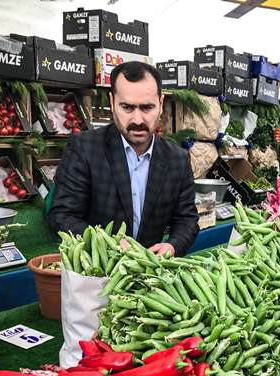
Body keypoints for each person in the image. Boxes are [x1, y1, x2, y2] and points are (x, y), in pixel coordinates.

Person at [48, 61, 199, 258]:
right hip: (95, 273)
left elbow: (187, 219)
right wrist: (107, 245)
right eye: (127, 107)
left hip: (148, 275)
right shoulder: (85, 148)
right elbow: (61, 214)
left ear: (161, 105)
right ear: (112, 102)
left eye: (147, 107)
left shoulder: (177, 159)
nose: (137, 120)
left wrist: (172, 246)